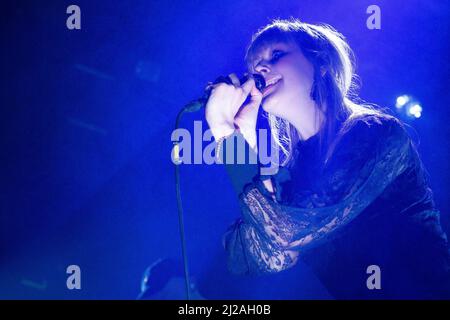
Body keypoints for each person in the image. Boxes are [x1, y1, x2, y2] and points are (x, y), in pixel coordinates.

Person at [204, 18, 450, 299]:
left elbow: (287, 233)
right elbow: (253, 256)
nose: (259, 69)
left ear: (320, 62)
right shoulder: (295, 171)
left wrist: (224, 132)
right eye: (254, 65)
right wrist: (241, 138)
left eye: (276, 55)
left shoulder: (376, 134)